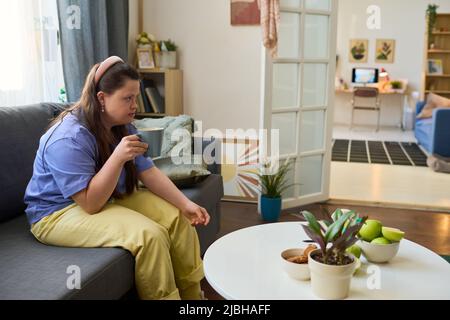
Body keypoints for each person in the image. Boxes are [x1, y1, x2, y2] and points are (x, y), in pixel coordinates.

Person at [24, 56, 210, 300]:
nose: (135, 105)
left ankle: (193, 298)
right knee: (149, 235)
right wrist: (117, 157)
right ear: (102, 98)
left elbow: (147, 171)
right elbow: (90, 204)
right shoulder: (67, 138)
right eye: (128, 98)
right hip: (57, 213)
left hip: (105, 196)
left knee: (177, 218)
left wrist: (186, 204)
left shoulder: (121, 123)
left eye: (136, 96)